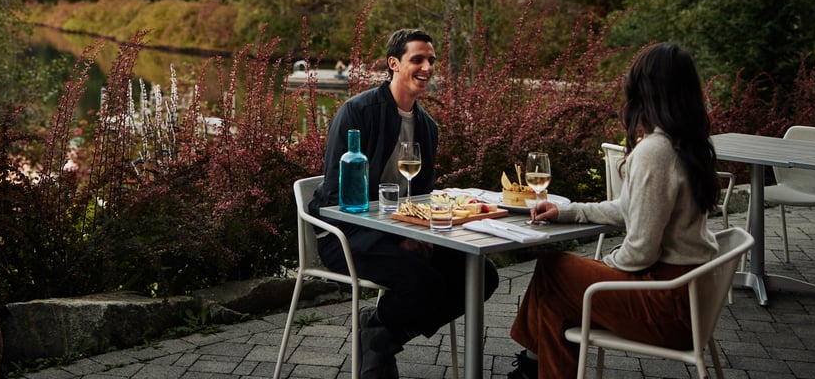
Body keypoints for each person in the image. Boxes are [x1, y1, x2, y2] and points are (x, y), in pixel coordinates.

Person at [506, 42, 721, 379]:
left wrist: (601, 271)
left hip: (667, 306)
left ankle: (531, 363)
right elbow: (629, 208)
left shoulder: (655, 151)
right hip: (693, 301)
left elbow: (640, 252)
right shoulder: (687, 144)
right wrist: (568, 211)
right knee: (554, 300)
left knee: (553, 268)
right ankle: (532, 367)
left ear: (644, 93)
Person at [309, 28, 500, 379]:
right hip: (348, 235)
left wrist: (426, 234)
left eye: (431, 60)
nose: (427, 67)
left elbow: (423, 195)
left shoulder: (427, 127)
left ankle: (382, 331)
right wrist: (398, 238)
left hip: (403, 232)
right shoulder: (357, 112)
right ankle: (381, 339)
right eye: (418, 59)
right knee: (421, 281)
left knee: (482, 276)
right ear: (394, 64)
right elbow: (339, 198)